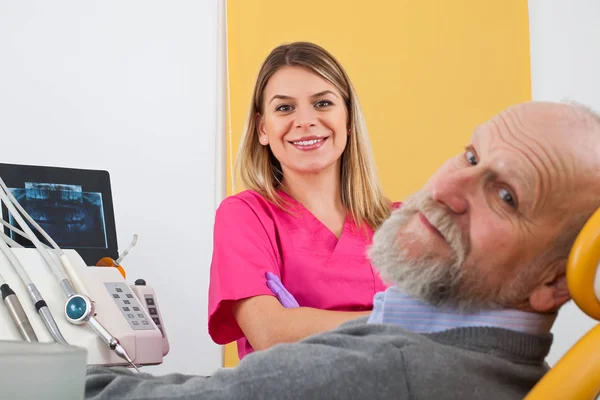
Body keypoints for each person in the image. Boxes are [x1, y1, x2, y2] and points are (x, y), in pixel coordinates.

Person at [85, 101, 600, 400]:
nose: (446, 188)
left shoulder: (389, 367)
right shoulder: (514, 374)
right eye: (469, 154)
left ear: (555, 282)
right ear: (261, 129)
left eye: (505, 195)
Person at [207, 41, 398, 359]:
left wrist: (301, 324)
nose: (305, 120)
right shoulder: (245, 217)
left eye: (322, 103)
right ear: (262, 129)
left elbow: (457, 329)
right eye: (284, 108)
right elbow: (269, 332)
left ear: (348, 120)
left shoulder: (401, 224)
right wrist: (401, 321)